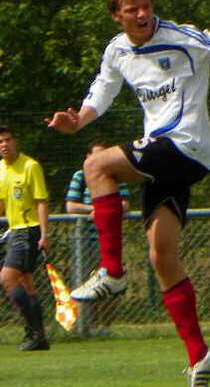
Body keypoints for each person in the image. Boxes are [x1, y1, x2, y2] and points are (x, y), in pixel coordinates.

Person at [46, 0, 210, 387]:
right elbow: (100, 94)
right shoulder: (117, 51)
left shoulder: (180, 37)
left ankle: (112, 271)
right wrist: (77, 121)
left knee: (96, 167)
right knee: (162, 257)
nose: (143, 14)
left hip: (184, 145)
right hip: (166, 158)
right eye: (132, 9)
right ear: (115, 16)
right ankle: (200, 355)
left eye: (146, 5)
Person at [0, 125, 51, 351]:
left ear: (15, 141)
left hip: (28, 230)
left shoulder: (30, 166)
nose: (4, 145)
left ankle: (35, 331)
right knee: (27, 285)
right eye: (0, 141)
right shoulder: (0, 169)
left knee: (7, 278)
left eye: (8, 140)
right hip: (15, 230)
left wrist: (44, 234)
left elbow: (41, 201)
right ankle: (39, 336)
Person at [65, 140, 131, 335]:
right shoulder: (80, 177)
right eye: (96, 156)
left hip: (110, 241)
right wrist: (97, 209)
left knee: (111, 283)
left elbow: (125, 204)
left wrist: (105, 211)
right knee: (88, 284)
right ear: (87, 158)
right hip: (85, 241)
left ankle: (105, 327)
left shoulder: (116, 176)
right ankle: (88, 326)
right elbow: (71, 206)